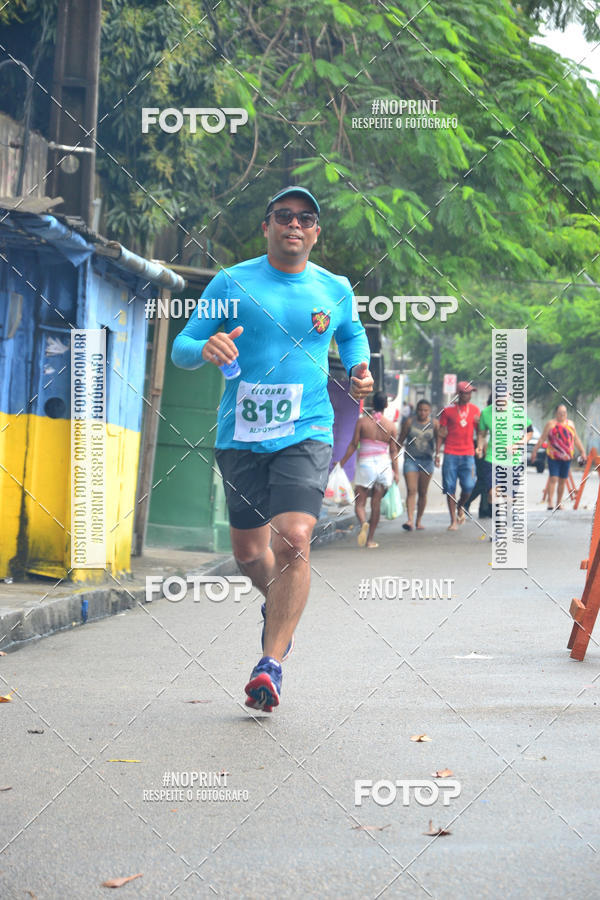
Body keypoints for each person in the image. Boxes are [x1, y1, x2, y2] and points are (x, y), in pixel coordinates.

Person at [171, 186, 373, 713]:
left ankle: (271, 663)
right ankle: (279, 611)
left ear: (315, 232)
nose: (294, 225)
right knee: (248, 553)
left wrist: (358, 368)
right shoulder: (231, 282)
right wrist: (205, 348)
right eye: (283, 215)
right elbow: (182, 347)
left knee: (295, 538)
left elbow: (353, 337)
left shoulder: (335, 289)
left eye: (305, 218)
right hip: (240, 435)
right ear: (267, 226)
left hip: (307, 429)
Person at [337, 391, 399, 548]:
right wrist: (396, 471)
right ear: (386, 404)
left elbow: (353, 445)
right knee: (376, 504)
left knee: (360, 502)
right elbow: (393, 451)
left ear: (372, 402)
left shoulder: (362, 422)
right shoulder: (391, 426)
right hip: (383, 467)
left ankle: (363, 522)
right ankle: (370, 539)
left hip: (366, 466)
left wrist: (342, 462)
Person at [476, 392, 533, 532]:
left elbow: (529, 432)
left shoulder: (517, 411)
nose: (501, 403)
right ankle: (498, 527)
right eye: (498, 400)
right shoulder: (486, 413)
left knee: (508, 499)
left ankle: (507, 515)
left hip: (512, 461)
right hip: (492, 458)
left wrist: (517, 445)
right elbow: (482, 434)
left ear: (508, 397)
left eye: (503, 399)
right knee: (492, 494)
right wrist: (479, 446)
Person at [435, 381, 480, 530]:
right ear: (459, 394)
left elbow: (481, 431)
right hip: (450, 453)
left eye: (470, 393)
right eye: (467, 393)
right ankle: (453, 520)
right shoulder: (447, 411)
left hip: (468, 453)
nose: (469, 395)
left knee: (469, 486)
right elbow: (441, 432)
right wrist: (437, 453)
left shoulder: (475, 411)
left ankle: (461, 505)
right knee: (450, 487)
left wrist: (480, 446)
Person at [531, 404, 586, 510]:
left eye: (564, 412)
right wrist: (535, 451)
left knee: (562, 480)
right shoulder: (550, 424)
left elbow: (576, 439)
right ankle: (550, 502)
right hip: (553, 457)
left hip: (567, 458)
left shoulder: (571, 424)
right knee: (553, 478)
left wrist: (583, 451)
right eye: (560, 412)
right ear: (556, 413)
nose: (562, 414)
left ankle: (558, 503)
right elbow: (542, 438)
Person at [397, 398, 438, 530]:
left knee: (423, 492)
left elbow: (439, 440)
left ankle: (418, 520)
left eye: (425, 410)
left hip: (427, 461)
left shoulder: (435, 424)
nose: (422, 413)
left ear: (430, 411)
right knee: (411, 490)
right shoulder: (410, 422)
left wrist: (437, 455)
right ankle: (409, 520)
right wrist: (393, 457)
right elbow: (401, 439)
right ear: (416, 410)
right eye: (420, 410)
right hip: (411, 460)